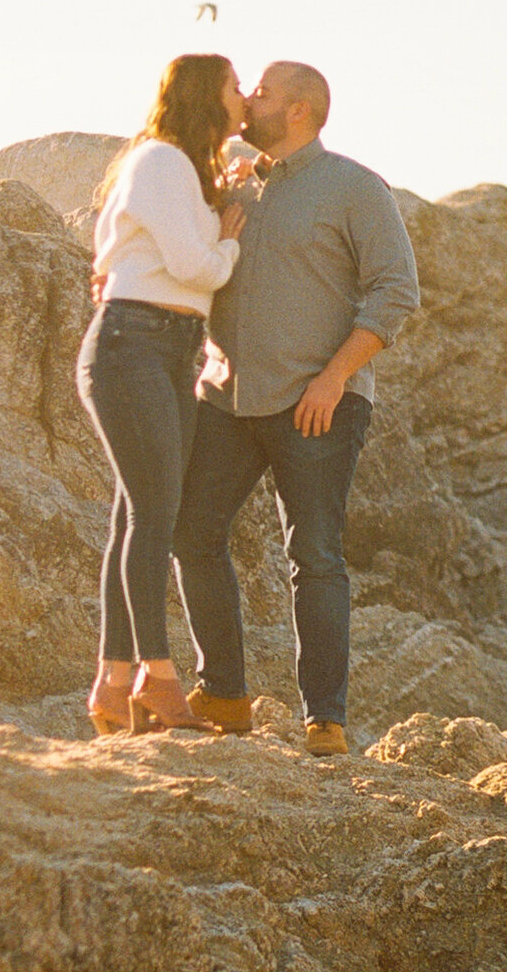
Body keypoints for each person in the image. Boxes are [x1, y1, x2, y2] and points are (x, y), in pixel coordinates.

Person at [172, 57, 419, 754]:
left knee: (312, 554)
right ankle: (222, 691)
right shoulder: (234, 185)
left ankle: (325, 721)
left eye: (264, 92)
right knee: (191, 531)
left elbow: (396, 290)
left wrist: (334, 378)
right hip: (227, 397)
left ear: (301, 110)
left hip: (319, 401)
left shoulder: (354, 187)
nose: (250, 100)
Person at [78, 54, 247, 735]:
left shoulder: (181, 169)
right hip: (134, 343)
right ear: (209, 95)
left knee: (136, 515)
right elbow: (195, 267)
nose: (244, 100)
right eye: (236, 88)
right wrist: (228, 242)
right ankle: (159, 674)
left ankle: (113, 686)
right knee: (152, 517)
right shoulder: (162, 162)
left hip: (169, 348)